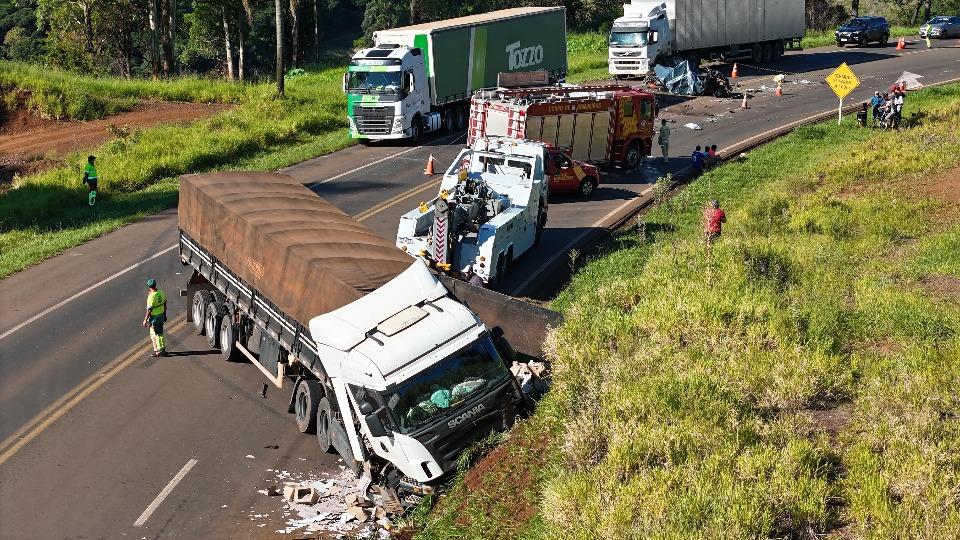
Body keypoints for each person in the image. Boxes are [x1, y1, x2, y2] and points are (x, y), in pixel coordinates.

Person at [143, 279, 167, 357]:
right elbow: (164, 304)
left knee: (154, 334)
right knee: (160, 333)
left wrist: (145, 320)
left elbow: (149, 310)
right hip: (161, 316)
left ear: (149, 287)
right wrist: (165, 315)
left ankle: (158, 351)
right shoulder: (161, 292)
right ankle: (162, 349)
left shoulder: (151, 297)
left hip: (154, 318)